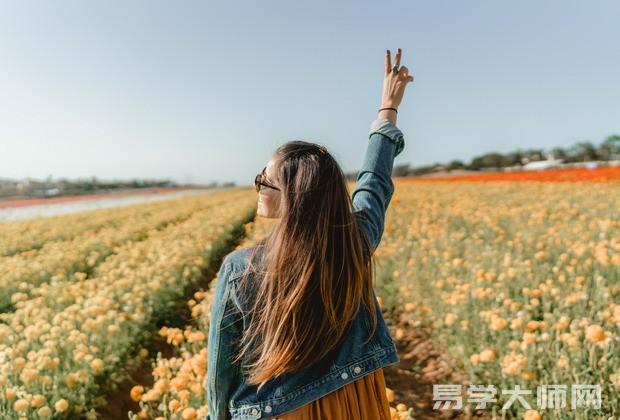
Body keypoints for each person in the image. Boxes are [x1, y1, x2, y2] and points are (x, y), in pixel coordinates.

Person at [206, 48, 414, 420]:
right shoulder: (354, 243)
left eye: (264, 182)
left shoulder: (241, 270)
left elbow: (221, 375)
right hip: (354, 400)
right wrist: (387, 110)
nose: (257, 187)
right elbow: (374, 184)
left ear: (295, 197)